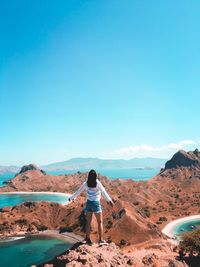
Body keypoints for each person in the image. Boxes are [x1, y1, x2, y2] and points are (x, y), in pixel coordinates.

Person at [68, 169, 114, 245]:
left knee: (88, 222)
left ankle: (87, 238)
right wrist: (109, 200)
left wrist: (71, 197)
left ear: (88, 176)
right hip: (96, 203)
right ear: (96, 176)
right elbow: (103, 192)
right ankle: (101, 240)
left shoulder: (86, 183)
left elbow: (78, 191)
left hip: (89, 203)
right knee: (100, 222)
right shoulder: (98, 183)